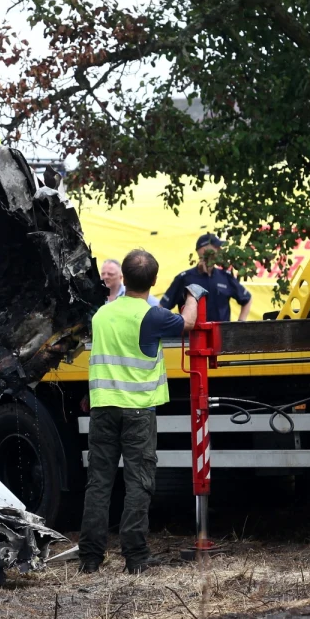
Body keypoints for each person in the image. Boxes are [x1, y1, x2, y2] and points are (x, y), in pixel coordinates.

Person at [79, 249, 198, 575]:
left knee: (99, 483)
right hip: (138, 411)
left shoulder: (102, 314)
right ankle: (135, 558)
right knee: (138, 482)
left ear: (124, 279)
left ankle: (90, 559)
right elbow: (187, 322)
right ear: (153, 281)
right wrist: (194, 295)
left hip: (103, 408)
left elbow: (99, 357)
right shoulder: (151, 315)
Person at [159, 233, 251, 322]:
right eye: (216, 247)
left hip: (221, 336)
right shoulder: (184, 278)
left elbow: (247, 299)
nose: (220, 249)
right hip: (193, 337)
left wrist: (240, 323)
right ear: (204, 250)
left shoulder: (225, 276)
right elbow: (161, 308)